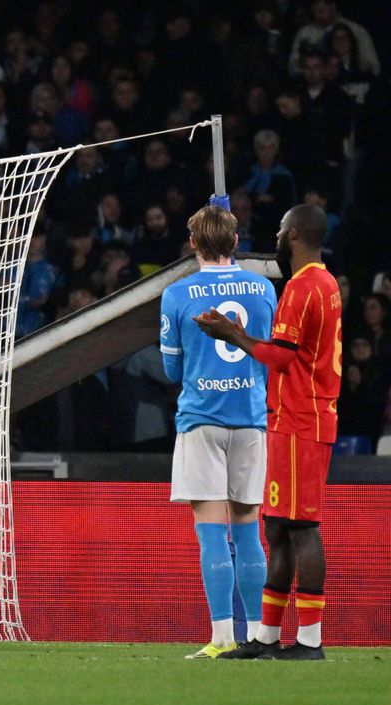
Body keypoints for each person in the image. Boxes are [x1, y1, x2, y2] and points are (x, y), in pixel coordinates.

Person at [197, 203, 341, 660]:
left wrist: (229, 333)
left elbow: (281, 357)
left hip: (303, 419)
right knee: (278, 526)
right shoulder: (325, 284)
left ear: (295, 234)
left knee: (302, 528)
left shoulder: (304, 288)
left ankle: (311, 641)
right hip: (292, 417)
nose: (277, 237)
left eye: (281, 230)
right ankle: (265, 638)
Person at [160, 203, 276, 659]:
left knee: (212, 533)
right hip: (250, 418)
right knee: (249, 530)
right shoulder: (264, 288)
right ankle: (259, 636)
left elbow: (171, 369)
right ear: (235, 241)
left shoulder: (177, 293)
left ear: (193, 244)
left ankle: (222, 636)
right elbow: (268, 350)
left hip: (202, 420)